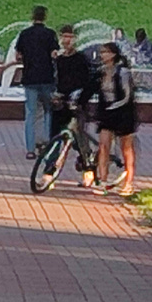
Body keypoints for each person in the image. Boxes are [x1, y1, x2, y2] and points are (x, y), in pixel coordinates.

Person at [13, 5, 59, 159]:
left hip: (29, 79)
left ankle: (30, 149)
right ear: (45, 17)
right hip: (47, 79)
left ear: (32, 16)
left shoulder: (24, 34)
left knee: (31, 114)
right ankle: (46, 142)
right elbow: (54, 54)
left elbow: (18, 56)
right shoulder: (50, 34)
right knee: (48, 112)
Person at [52, 25, 95, 186]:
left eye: (70, 37)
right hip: (62, 102)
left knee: (79, 137)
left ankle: (88, 169)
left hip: (77, 102)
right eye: (64, 36)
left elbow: (87, 81)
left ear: (75, 39)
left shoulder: (81, 59)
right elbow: (59, 81)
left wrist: (79, 98)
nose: (66, 40)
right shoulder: (59, 60)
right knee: (56, 135)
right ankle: (50, 170)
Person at [93, 41, 138, 197]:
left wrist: (115, 106)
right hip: (107, 113)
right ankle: (103, 181)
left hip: (123, 113)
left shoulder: (123, 72)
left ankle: (129, 182)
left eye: (105, 52)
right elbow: (92, 88)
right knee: (103, 146)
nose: (102, 55)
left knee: (126, 148)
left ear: (113, 54)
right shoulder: (101, 72)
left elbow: (127, 96)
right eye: (101, 52)